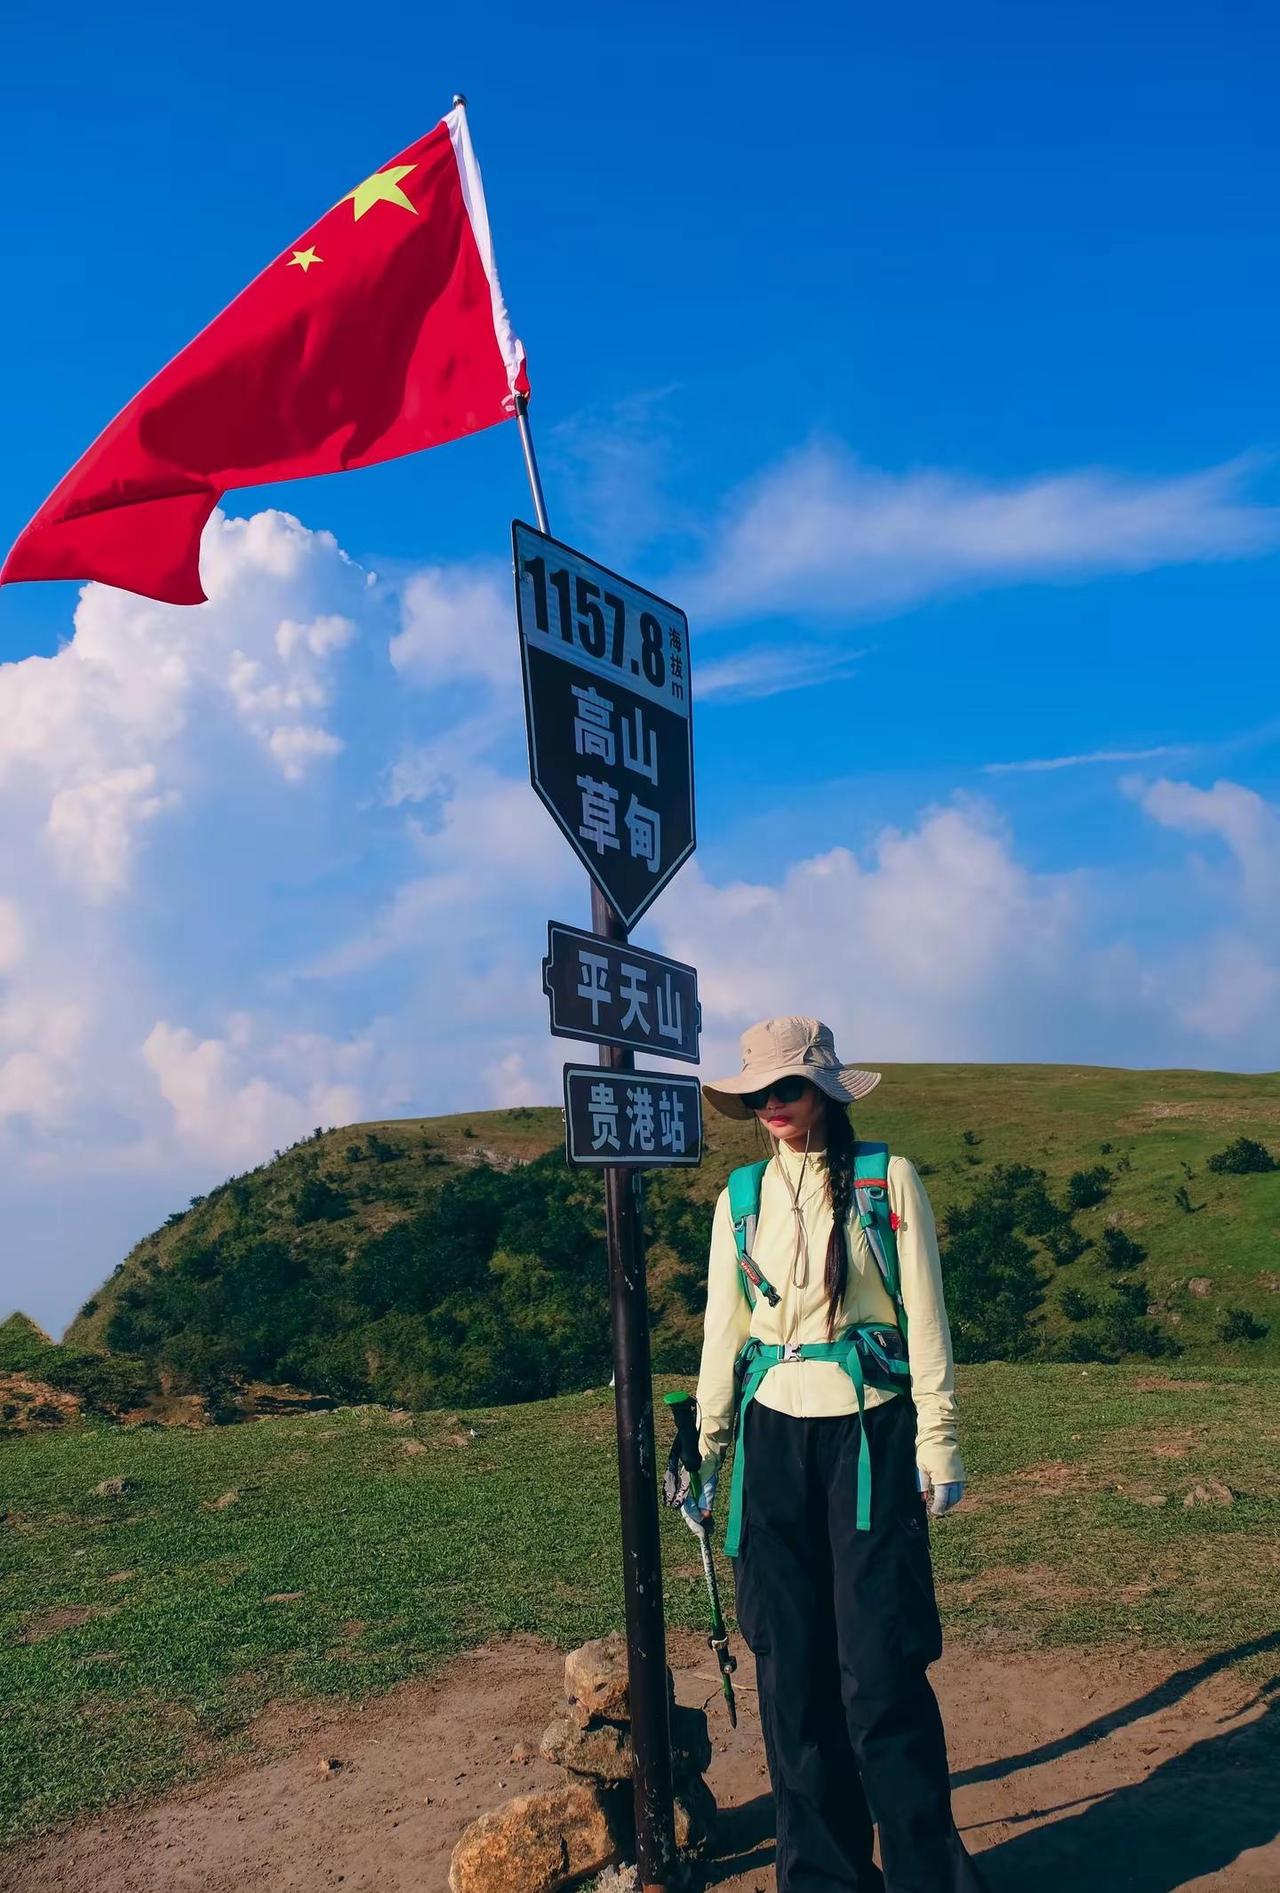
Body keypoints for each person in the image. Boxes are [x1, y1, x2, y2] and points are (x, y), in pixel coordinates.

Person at [685, 1015, 987, 1893]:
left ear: (824, 1088)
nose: (774, 1105)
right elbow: (721, 1332)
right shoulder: (740, 1199)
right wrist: (705, 1450)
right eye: (759, 1093)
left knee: (879, 1671)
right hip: (771, 1435)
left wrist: (940, 1438)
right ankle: (821, 1879)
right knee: (791, 1674)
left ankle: (928, 1877)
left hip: (870, 1432)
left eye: (789, 1087)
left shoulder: (885, 1179)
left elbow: (924, 1317)